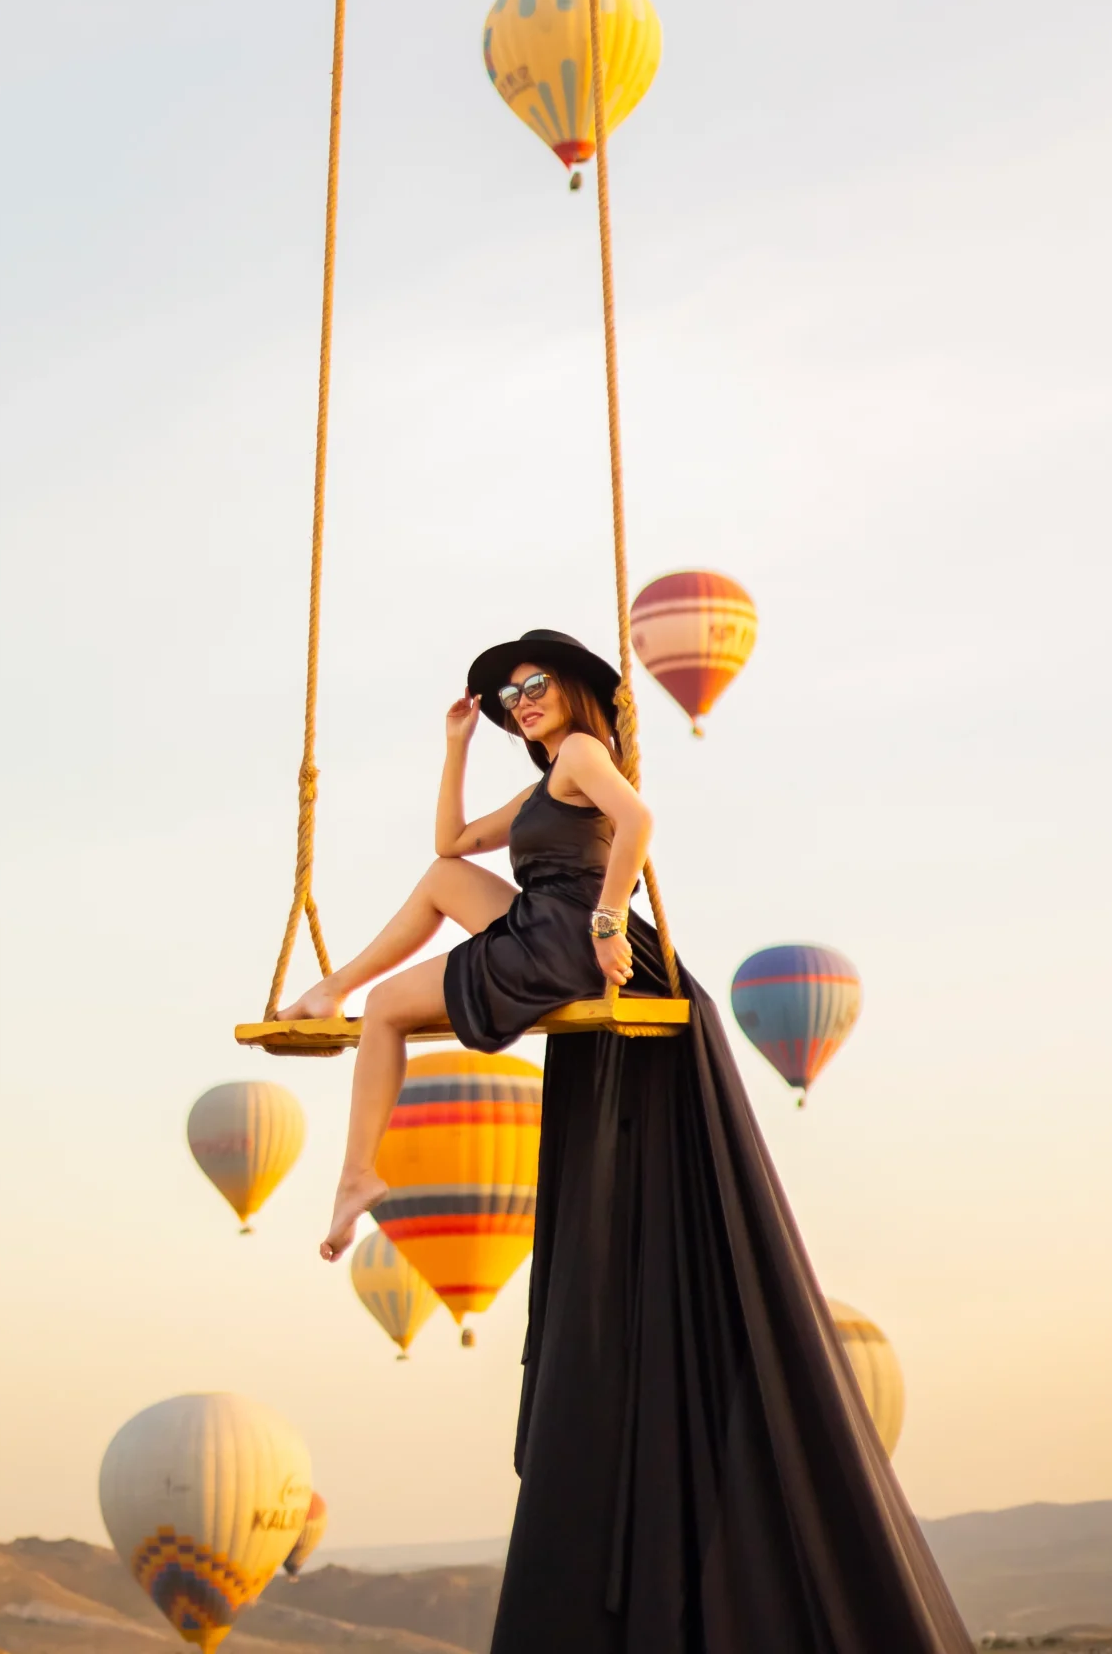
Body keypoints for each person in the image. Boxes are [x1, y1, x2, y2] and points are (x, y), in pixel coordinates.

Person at [282, 629, 972, 1654]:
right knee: (434, 883)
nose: (520, 699)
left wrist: (608, 919)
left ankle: (355, 1163)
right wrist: (455, 741)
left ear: (570, 690)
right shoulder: (537, 783)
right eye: (507, 691)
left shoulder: (580, 757)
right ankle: (338, 1020)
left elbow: (640, 819)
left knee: (386, 1009)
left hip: (572, 939)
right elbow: (451, 841)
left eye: (533, 684)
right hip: (549, 926)